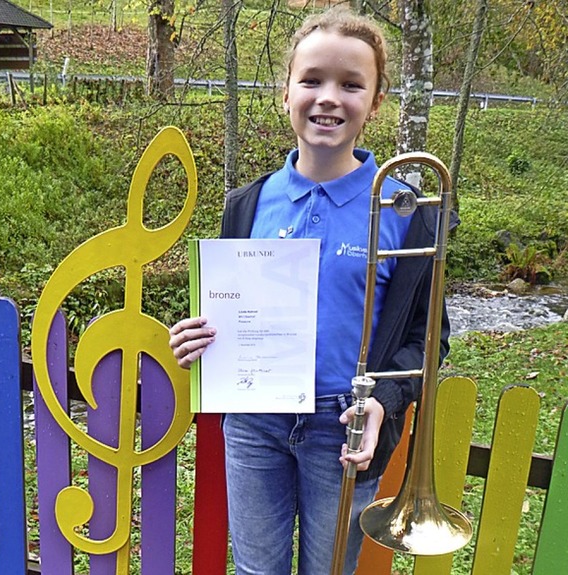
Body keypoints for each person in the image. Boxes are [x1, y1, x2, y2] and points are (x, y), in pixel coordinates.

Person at [169, 6, 455, 574]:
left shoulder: (406, 214)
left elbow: (430, 340)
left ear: (375, 102)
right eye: (312, 80)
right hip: (254, 422)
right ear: (286, 92)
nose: (329, 97)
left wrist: (386, 402)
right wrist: (200, 335)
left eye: (351, 85)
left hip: (343, 425)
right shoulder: (246, 205)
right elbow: (234, 310)